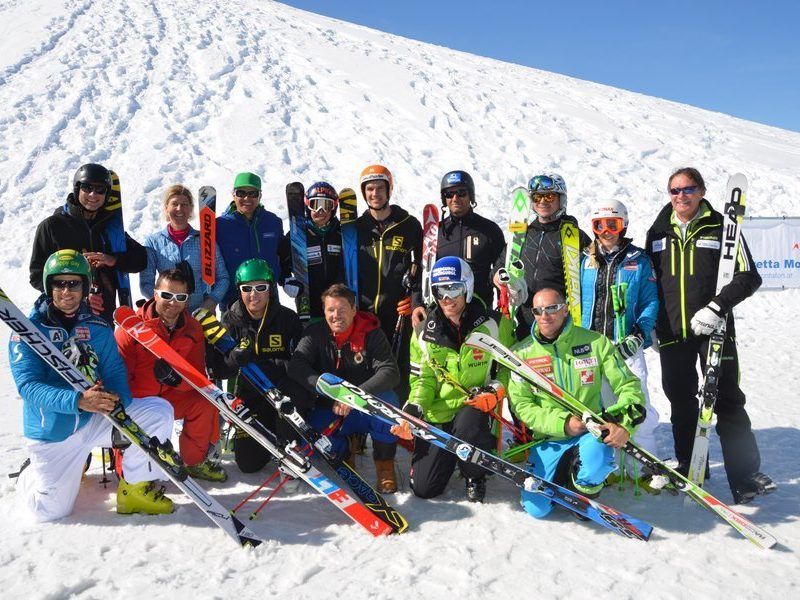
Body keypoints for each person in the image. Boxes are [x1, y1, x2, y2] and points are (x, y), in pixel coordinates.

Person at [10, 250, 175, 521]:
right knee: (50, 512)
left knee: (158, 411)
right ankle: (29, 476)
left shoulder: (97, 327)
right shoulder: (28, 330)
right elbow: (29, 387)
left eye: (73, 283)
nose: (66, 291)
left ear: (84, 286)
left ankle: (135, 488)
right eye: (58, 283)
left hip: (93, 420)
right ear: (48, 286)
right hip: (53, 433)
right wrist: (77, 401)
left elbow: (114, 373)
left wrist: (115, 399)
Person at [645, 167, 774, 504]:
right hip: (672, 333)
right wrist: (655, 327)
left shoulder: (722, 228)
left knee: (728, 399)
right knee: (681, 403)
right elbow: (650, 284)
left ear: (701, 191)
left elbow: (748, 277)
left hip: (713, 331)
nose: (681, 196)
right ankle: (691, 465)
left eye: (688, 189)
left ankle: (744, 475)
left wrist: (716, 308)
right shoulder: (657, 232)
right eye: (674, 190)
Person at [507, 288, 646, 519]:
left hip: (589, 433)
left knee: (598, 458)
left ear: (565, 309)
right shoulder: (522, 354)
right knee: (536, 509)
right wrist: (563, 424)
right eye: (538, 310)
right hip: (549, 440)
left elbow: (629, 386)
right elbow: (523, 406)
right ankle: (562, 473)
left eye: (551, 308)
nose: (544, 316)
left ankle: (582, 490)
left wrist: (623, 425)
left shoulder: (595, 343)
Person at [404, 257, 514, 502]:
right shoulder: (423, 332)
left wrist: (495, 391)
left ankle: (474, 473)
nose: (447, 297)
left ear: (467, 287)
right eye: (440, 290)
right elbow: (423, 379)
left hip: (474, 407)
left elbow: (510, 370)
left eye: (454, 288)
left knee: (468, 423)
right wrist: (416, 407)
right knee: (424, 488)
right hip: (439, 411)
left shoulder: (494, 325)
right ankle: (448, 457)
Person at [115, 268, 226, 482]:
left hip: (173, 396)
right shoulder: (131, 328)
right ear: (155, 294)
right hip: (139, 401)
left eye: (180, 297)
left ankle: (194, 462)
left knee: (205, 402)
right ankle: (127, 466)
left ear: (187, 300)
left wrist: (176, 381)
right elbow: (119, 379)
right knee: (127, 411)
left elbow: (197, 379)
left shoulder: (192, 329)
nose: (172, 303)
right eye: (166, 295)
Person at [288, 283, 401, 493]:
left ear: (354, 310)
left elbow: (390, 371)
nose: (336, 315)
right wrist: (322, 386)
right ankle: (345, 448)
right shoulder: (315, 332)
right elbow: (296, 365)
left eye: (342, 309)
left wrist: (353, 396)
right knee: (314, 438)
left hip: (364, 405)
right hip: (331, 407)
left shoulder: (371, 332)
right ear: (324, 311)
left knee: (389, 403)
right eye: (331, 310)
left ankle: (385, 466)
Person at [580, 199, 660, 489]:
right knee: (605, 407)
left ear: (623, 224)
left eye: (611, 224)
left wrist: (638, 334)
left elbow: (650, 301)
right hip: (594, 347)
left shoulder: (638, 260)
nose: (605, 231)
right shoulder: (584, 259)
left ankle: (644, 468)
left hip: (626, 345)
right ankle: (612, 465)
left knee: (637, 406)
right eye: (599, 225)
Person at [204, 259, 306, 473]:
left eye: (261, 287)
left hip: (283, 394)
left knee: (296, 399)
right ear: (239, 291)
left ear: (270, 289)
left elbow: (301, 361)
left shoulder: (288, 319)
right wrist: (234, 359)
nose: (254, 294)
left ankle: (288, 443)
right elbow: (219, 370)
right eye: (247, 288)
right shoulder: (230, 321)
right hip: (250, 396)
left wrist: (271, 366)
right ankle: (268, 434)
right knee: (248, 464)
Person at [29, 163, 148, 323]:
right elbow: (37, 275)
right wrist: (79, 297)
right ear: (77, 188)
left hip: (102, 319)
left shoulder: (110, 228)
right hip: (63, 318)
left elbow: (141, 260)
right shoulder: (52, 226)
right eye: (87, 187)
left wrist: (113, 260)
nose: (93, 194)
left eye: (100, 189)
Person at [493, 173, 590, 340]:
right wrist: (501, 280)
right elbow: (499, 267)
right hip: (524, 320)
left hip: (557, 322)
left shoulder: (574, 236)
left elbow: (591, 279)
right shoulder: (522, 234)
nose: (543, 202)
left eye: (550, 196)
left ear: (561, 199)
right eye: (537, 197)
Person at [355, 164, 422, 396]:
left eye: (380, 188)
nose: (375, 194)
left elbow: (420, 266)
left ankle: (402, 422)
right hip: (363, 313)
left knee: (399, 368)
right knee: (365, 368)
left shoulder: (409, 225)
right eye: (370, 189)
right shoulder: (355, 228)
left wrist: (414, 299)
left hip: (397, 313)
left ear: (389, 189)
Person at [411, 170, 506, 327]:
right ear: (444, 198)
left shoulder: (489, 230)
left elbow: (500, 266)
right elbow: (422, 272)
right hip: (444, 312)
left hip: (480, 311)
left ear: (471, 196)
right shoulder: (435, 233)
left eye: (461, 193)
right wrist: (417, 304)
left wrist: (503, 303)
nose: (455, 198)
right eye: (449, 194)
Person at [140, 185, 229, 314]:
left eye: (184, 204)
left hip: (201, 312)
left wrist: (212, 300)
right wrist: (163, 303)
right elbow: (146, 282)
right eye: (174, 204)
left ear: (191, 209)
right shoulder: (154, 242)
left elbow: (223, 277)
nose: (179, 209)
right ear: (166, 208)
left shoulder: (205, 239)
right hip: (167, 315)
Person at [278, 181, 344, 321]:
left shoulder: (341, 233)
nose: (320, 210)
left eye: (326, 205)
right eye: (315, 204)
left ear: (334, 208)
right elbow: (281, 261)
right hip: (308, 303)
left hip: (338, 303)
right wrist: (285, 279)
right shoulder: (297, 235)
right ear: (307, 206)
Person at [216, 172, 284, 308]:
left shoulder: (273, 222)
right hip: (232, 299)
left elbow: (282, 255)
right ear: (233, 195)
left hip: (268, 296)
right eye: (241, 193)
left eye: (252, 193)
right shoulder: (220, 225)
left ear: (260, 195)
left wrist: (285, 278)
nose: (247, 198)